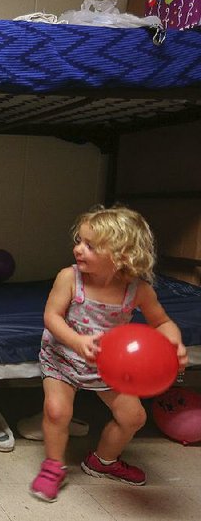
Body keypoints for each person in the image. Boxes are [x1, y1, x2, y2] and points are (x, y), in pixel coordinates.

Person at [30, 205, 188, 502]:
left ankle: (103, 461)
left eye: (90, 245)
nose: (78, 249)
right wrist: (77, 342)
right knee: (57, 412)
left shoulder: (138, 290)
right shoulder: (70, 277)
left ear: (121, 256)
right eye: (79, 241)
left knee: (134, 417)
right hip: (62, 357)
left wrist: (173, 345)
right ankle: (53, 466)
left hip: (108, 366)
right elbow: (51, 317)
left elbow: (163, 322)